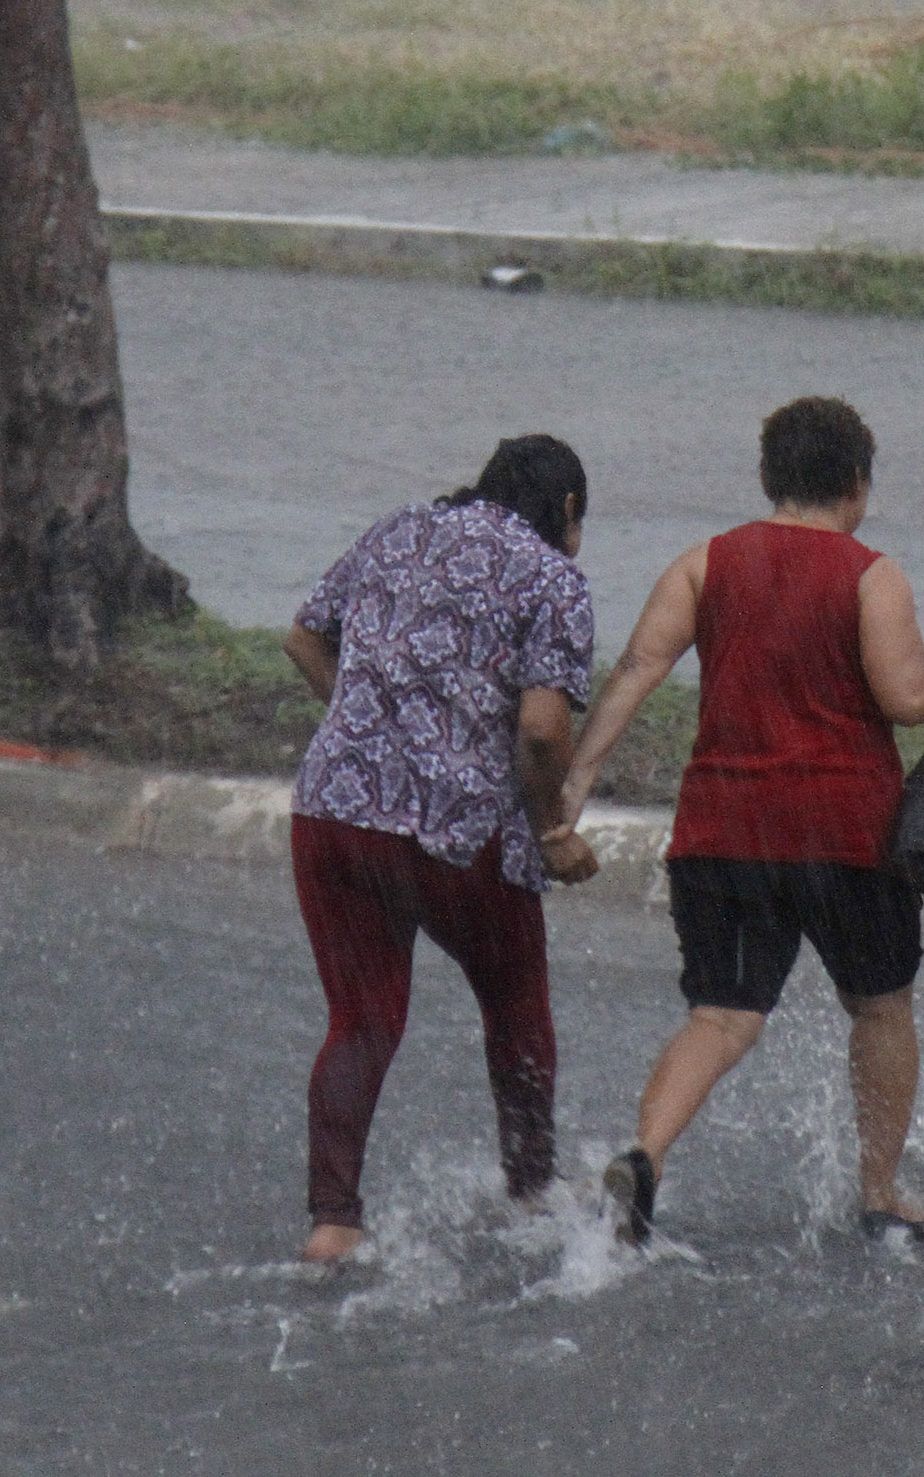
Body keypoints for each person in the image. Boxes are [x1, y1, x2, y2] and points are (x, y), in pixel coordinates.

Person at [555, 396, 924, 1246]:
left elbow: (635, 667)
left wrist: (575, 782)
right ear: (856, 485)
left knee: (721, 1018)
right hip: (848, 836)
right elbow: (909, 701)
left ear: (768, 478)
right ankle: (882, 1195)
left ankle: (645, 1155)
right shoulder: (871, 574)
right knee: (880, 1008)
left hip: (723, 833)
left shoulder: (703, 564)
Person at [281, 434, 601, 1265]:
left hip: (334, 813)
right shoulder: (551, 576)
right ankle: (532, 1188)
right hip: (459, 834)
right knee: (516, 1001)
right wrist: (550, 830)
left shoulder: (397, 529)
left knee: (361, 1018)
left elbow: (304, 638)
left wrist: (369, 733)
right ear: (568, 511)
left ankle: (334, 1223)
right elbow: (539, 732)